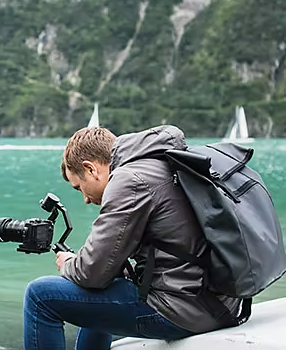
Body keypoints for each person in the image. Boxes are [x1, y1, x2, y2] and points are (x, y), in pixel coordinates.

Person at [23, 125, 240, 350]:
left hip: (184, 309)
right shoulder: (160, 163)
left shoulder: (129, 181)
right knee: (106, 285)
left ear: (90, 169)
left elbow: (91, 273)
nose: (86, 199)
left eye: (79, 188)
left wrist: (69, 263)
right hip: (218, 302)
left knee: (39, 296)